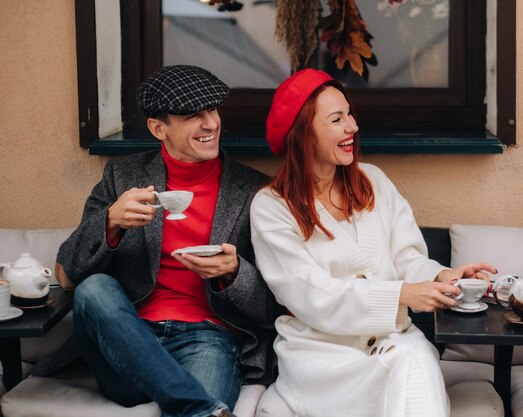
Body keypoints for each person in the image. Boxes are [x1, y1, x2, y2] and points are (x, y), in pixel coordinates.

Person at [249, 69, 497, 417]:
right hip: (322, 356)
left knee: (413, 362)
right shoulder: (271, 208)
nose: (352, 126)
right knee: (410, 368)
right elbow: (312, 295)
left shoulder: (373, 181)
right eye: (337, 119)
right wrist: (401, 295)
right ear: (303, 133)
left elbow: (407, 259)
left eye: (349, 114)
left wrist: (443, 276)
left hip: (394, 342)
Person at [56, 65, 283, 417]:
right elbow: (66, 276)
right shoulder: (123, 176)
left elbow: (272, 310)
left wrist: (236, 272)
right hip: (129, 338)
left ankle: (192, 406)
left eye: (213, 110)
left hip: (207, 338)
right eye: (194, 115)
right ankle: (199, 407)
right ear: (157, 128)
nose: (210, 124)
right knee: (95, 288)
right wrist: (111, 222)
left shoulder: (255, 191)